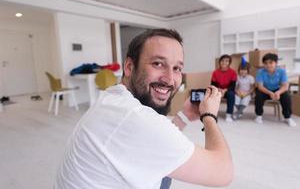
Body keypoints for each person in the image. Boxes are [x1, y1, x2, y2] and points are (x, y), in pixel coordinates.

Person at [54, 29, 233, 189]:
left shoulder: (113, 97)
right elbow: (223, 172)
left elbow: (152, 143)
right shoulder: (136, 119)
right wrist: (209, 116)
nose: (170, 79)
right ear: (129, 67)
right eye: (158, 63)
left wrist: (185, 116)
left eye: (177, 68)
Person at [255, 53, 296, 126]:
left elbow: (285, 86)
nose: (268, 65)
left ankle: (288, 117)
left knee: (286, 96)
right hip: (265, 90)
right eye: (266, 63)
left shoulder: (282, 71)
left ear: (276, 63)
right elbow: (260, 87)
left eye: (271, 62)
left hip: (277, 89)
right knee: (258, 96)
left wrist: (278, 92)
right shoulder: (260, 72)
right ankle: (259, 115)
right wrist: (269, 93)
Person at [211, 55, 237, 122]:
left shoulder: (233, 72)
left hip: (228, 90)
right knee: (213, 93)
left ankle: (229, 114)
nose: (224, 62)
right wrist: (219, 90)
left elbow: (233, 86)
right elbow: (213, 85)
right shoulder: (215, 72)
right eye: (222, 61)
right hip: (218, 89)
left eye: (226, 61)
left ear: (229, 63)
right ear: (219, 62)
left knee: (231, 94)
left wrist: (225, 90)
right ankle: (213, 113)